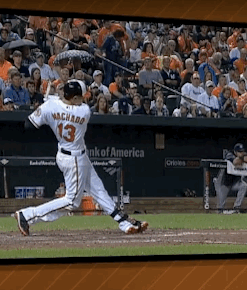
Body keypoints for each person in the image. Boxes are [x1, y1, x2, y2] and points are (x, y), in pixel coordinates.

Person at [14, 80, 148, 235]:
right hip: (74, 159)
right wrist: (55, 101)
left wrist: (49, 106)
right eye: (79, 97)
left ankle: (123, 222)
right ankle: (28, 215)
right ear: (74, 98)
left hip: (68, 154)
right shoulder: (84, 111)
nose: (82, 99)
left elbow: (28, 124)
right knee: (72, 201)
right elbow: (74, 104)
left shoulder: (50, 106)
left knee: (98, 190)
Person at [213, 143, 247, 214]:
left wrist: (242, 158)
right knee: (220, 207)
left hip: (235, 182)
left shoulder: (242, 156)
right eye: (239, 152)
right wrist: (244, 159)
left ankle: (236, 207)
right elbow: (235, 162)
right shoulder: (229, 154)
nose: (242, 153)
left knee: (244, 185)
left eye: (242, 151)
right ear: (235, 152)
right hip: (224, 182)